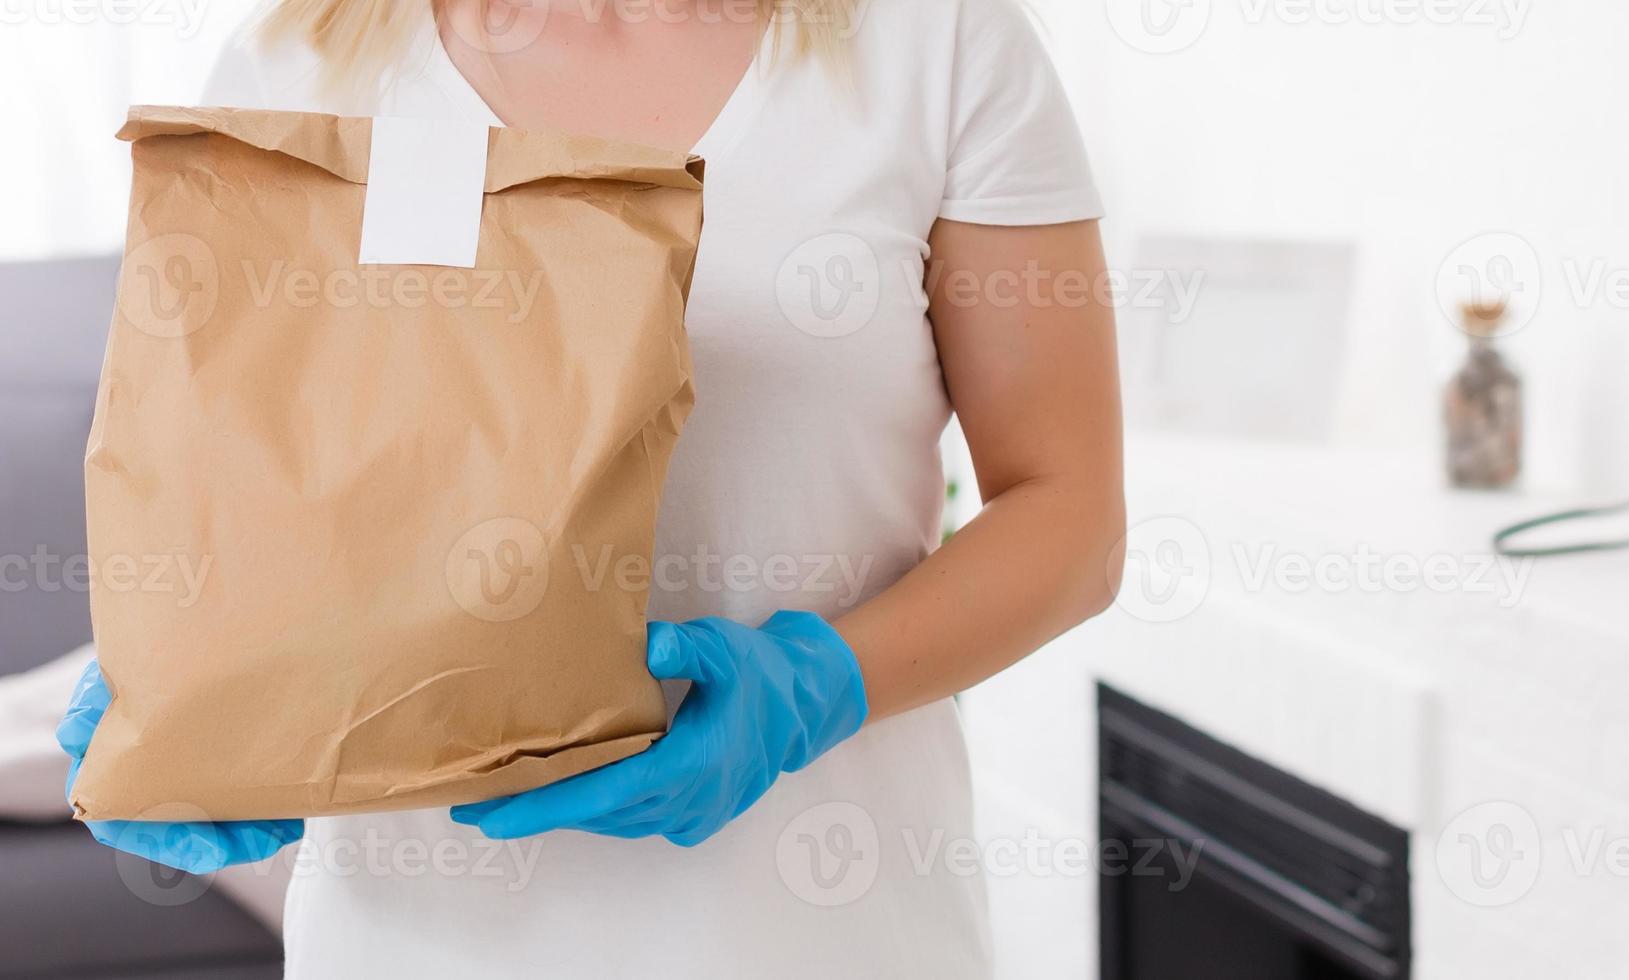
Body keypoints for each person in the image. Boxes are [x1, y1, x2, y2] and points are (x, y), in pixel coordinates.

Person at [55, 0, 1123, 974]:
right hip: (412, 944)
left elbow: (1069, 512)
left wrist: (812, 685)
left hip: (829, 932)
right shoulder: (302, 61)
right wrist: (183, 678)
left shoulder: (937, 45)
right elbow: (251, 480)